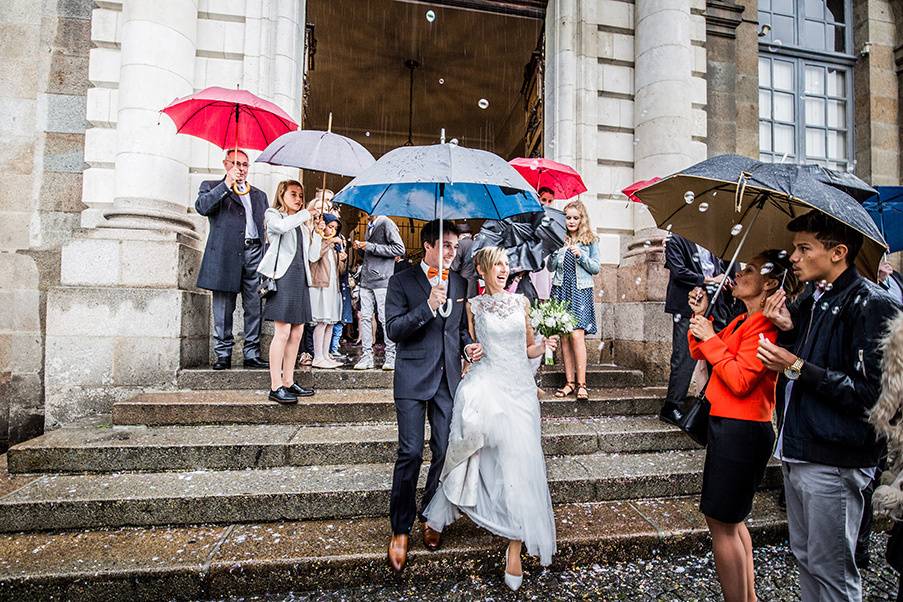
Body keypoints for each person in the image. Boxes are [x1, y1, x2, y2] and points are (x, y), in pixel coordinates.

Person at [756, 211, 902, 601]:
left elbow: (873, 395)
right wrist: (789, 333)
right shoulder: (813, 301)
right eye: (794, 248)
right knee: (806, 559)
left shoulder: (873, 304)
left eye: (804, 248)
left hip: (835, 457)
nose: (794, 257)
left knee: (834, 572)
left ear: (838, 252)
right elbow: (805, 366)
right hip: (800, 449)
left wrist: (796, 365)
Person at [423, 246, 558, 591]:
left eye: (506, 264)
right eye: (496, 264)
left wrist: (545, 345)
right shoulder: (473, 306)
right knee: (472, 447)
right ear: (482, 270)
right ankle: (444, 510)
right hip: (487, 381)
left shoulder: (522, 303)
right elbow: (469, 342)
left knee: (518, 464)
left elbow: (528, 348)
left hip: (519, 390)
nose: (503, 269)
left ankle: (514, 545)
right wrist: (469, 350)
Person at [687, 249, 800, 602]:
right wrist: (701, 319)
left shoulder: (765, 327)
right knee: (732, 521)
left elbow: (738, 380)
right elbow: (702, 353)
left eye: (748, 270)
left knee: (720, 522)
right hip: (731, 427)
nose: (738, 273)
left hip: (742, 430)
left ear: (768, 284)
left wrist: (710, 337)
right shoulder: (742, 321)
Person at [384, 220, 482, 574]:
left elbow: (457, 329)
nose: (451, 252)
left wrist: (469, 346)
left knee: (444, 449)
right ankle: (400, 527)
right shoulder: (401, 281)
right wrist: (426, 305)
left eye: (455, 247)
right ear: (427, 246)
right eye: (445, 246)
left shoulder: (459, 282)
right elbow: (393, 330)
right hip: (411, 378)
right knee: (410, 451)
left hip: (447, 381)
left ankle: (430, 513)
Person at [195, 149, 270, 370]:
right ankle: (223, 354)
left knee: (254, 306)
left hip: (255, 253)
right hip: (225, 255)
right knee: (223, 308)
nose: (241, 168)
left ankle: (251, 353)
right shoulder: (211, 186)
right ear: (225, 164)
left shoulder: (259, 195)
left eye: (245, 164)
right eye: (236, 163)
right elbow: (202, 207)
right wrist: (227, 184)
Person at [256, 180, 319, 404]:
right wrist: (305, 214)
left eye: (301, 195)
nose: (299, 199)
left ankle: (288, 381)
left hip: (300, 279)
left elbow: (312, 256)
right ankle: (275, 386)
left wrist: (317, 232)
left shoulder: (301, 224)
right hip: (283, 278)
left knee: (297, 333)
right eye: (293, 194)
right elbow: (280, 228)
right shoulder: (274, 215)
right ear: (282, 195)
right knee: (282, 333)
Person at [661, 232, 733, 425]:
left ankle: (712, 402)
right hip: (688, 304)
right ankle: (672, 406)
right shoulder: (675, 240)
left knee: (716, 352)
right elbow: (679, 272)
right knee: (684, 356)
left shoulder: (715, 240)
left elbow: (719, 268)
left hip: (716, 303)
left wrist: (724, 280)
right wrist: (709, 280)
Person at [548, 200, 600, 401]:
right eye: (568, 217)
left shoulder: (590, 240)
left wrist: (581, 256)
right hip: (561, 290)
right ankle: (569, 383)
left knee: (577, 336)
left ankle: (582, 384)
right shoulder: (558, 239)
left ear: (582, 219)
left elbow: (595, 268)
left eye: (575, 217)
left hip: (580, 291)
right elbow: (551, 267)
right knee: (564, 338)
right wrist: (554, 251)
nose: (571, 221)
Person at [353, 214, 405, 370]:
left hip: (382, 279)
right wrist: (362, 248)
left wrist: (369, 246)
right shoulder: (371, 226)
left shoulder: (386, 223)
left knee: (384, 317)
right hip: (366, 279)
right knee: (365, 318)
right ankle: (366, 356)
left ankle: (391, 355)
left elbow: (399, 248)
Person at [308, 213, 344, 369]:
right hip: (321, 286)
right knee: (322, 322)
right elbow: (313, 256)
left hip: (332, 287)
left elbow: (339, 271)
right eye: (330, 227)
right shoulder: (318, 240)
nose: (333, 231)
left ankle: (325, 354)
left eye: (335, 228)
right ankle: (317, 356)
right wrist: (328, 241)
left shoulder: (334, 246)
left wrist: (342, 258)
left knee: (330, 323)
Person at [329, 229, 353, 363]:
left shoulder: (340, 245)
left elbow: (342, 270)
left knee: (338, 321)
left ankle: (333, 347)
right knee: (330, 321)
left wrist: (342, 259)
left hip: (339, 286)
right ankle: (330, 349)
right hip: (331, 285)